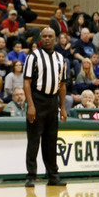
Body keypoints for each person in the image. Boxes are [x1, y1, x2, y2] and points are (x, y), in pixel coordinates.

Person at [23, 27, 67, 187]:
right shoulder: (33, 57)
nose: (47, 39)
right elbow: (26, 82)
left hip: (52, 102)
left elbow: (62, 85)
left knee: (51, 141)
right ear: (41, 38)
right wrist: (31, 105)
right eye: (45, 36)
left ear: (55, 39)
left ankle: (53, 175)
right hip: (37, 99)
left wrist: (62, 107)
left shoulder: (61, 59)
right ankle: (31, 176)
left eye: (50, 36)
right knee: (33, 140)